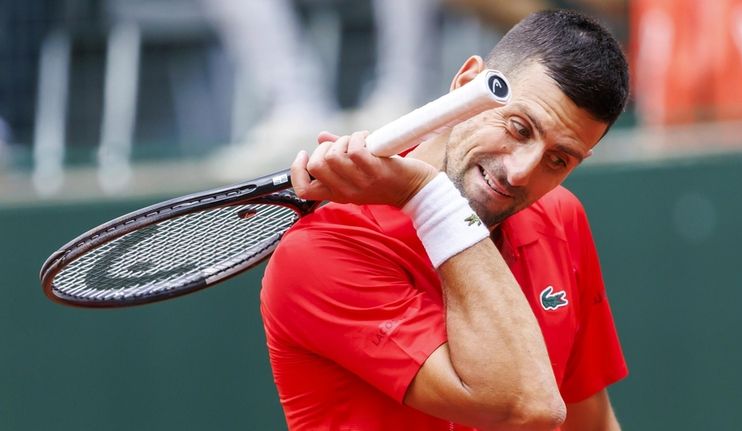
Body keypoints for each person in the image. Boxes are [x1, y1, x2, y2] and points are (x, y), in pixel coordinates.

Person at [261, 9, 629, 430]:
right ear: (467, 85)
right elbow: (527, 407)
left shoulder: (562, 217)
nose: (522, 171)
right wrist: (426, 196)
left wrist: (423, 196)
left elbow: (591, 423)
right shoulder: (319, 254)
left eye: (559, 159)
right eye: (519, 128)